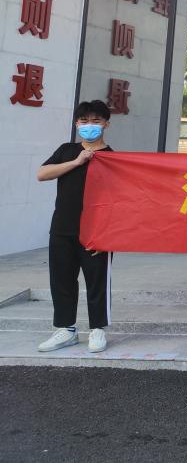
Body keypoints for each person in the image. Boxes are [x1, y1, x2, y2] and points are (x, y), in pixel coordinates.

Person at [36, 100, 114, 354]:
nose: (89, 126)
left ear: (106, 124)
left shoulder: (113, 158)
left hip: (95, 233)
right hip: (62, 228)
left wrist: (107, 236)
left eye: (96, 121)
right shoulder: (66, 150)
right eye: (84, 121)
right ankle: (66, 329)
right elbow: (42, 174)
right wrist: (76, 162)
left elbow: (120, 201)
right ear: (76, 124)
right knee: (61, 281)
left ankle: (97, 329)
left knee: (97, 281)